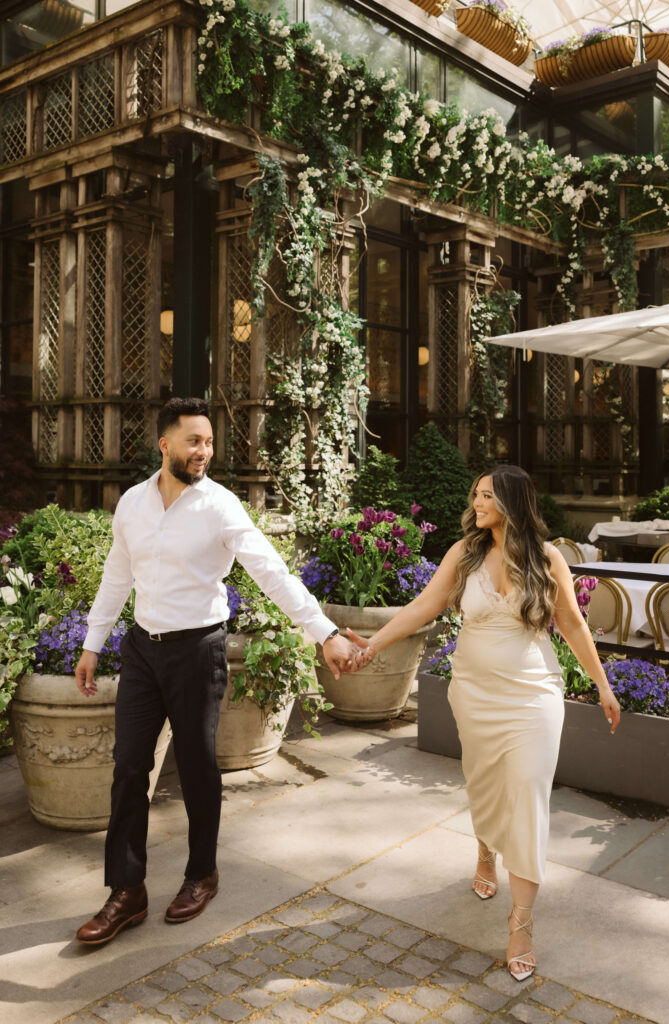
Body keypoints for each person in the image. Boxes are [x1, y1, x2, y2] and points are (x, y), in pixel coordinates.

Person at [74, 396, 356, 946]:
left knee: (200, 765)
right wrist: (92, 644)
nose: (204, 451)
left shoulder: (221, 506)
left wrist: (324, 632)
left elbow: (272, 573)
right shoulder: (132, 503)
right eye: (193, 441)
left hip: (197, 649)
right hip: (141, 649)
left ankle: (201, 874)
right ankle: (126, 892)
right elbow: (116, 576)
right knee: (129, 768)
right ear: (165, 444)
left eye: (208, 442)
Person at [347, 465, 621, 981]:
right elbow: (425, 605)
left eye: (488, 495)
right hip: (472, 692)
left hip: (533, 696)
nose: (477, 502)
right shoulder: (465, 553)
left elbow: (571, 623)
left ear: (513, 502)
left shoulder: (546, 559)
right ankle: (485, 850)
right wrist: (373, 643)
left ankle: (521, 924)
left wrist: (603, 685)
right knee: (485, 782)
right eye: (475, 494)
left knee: (527, 795)